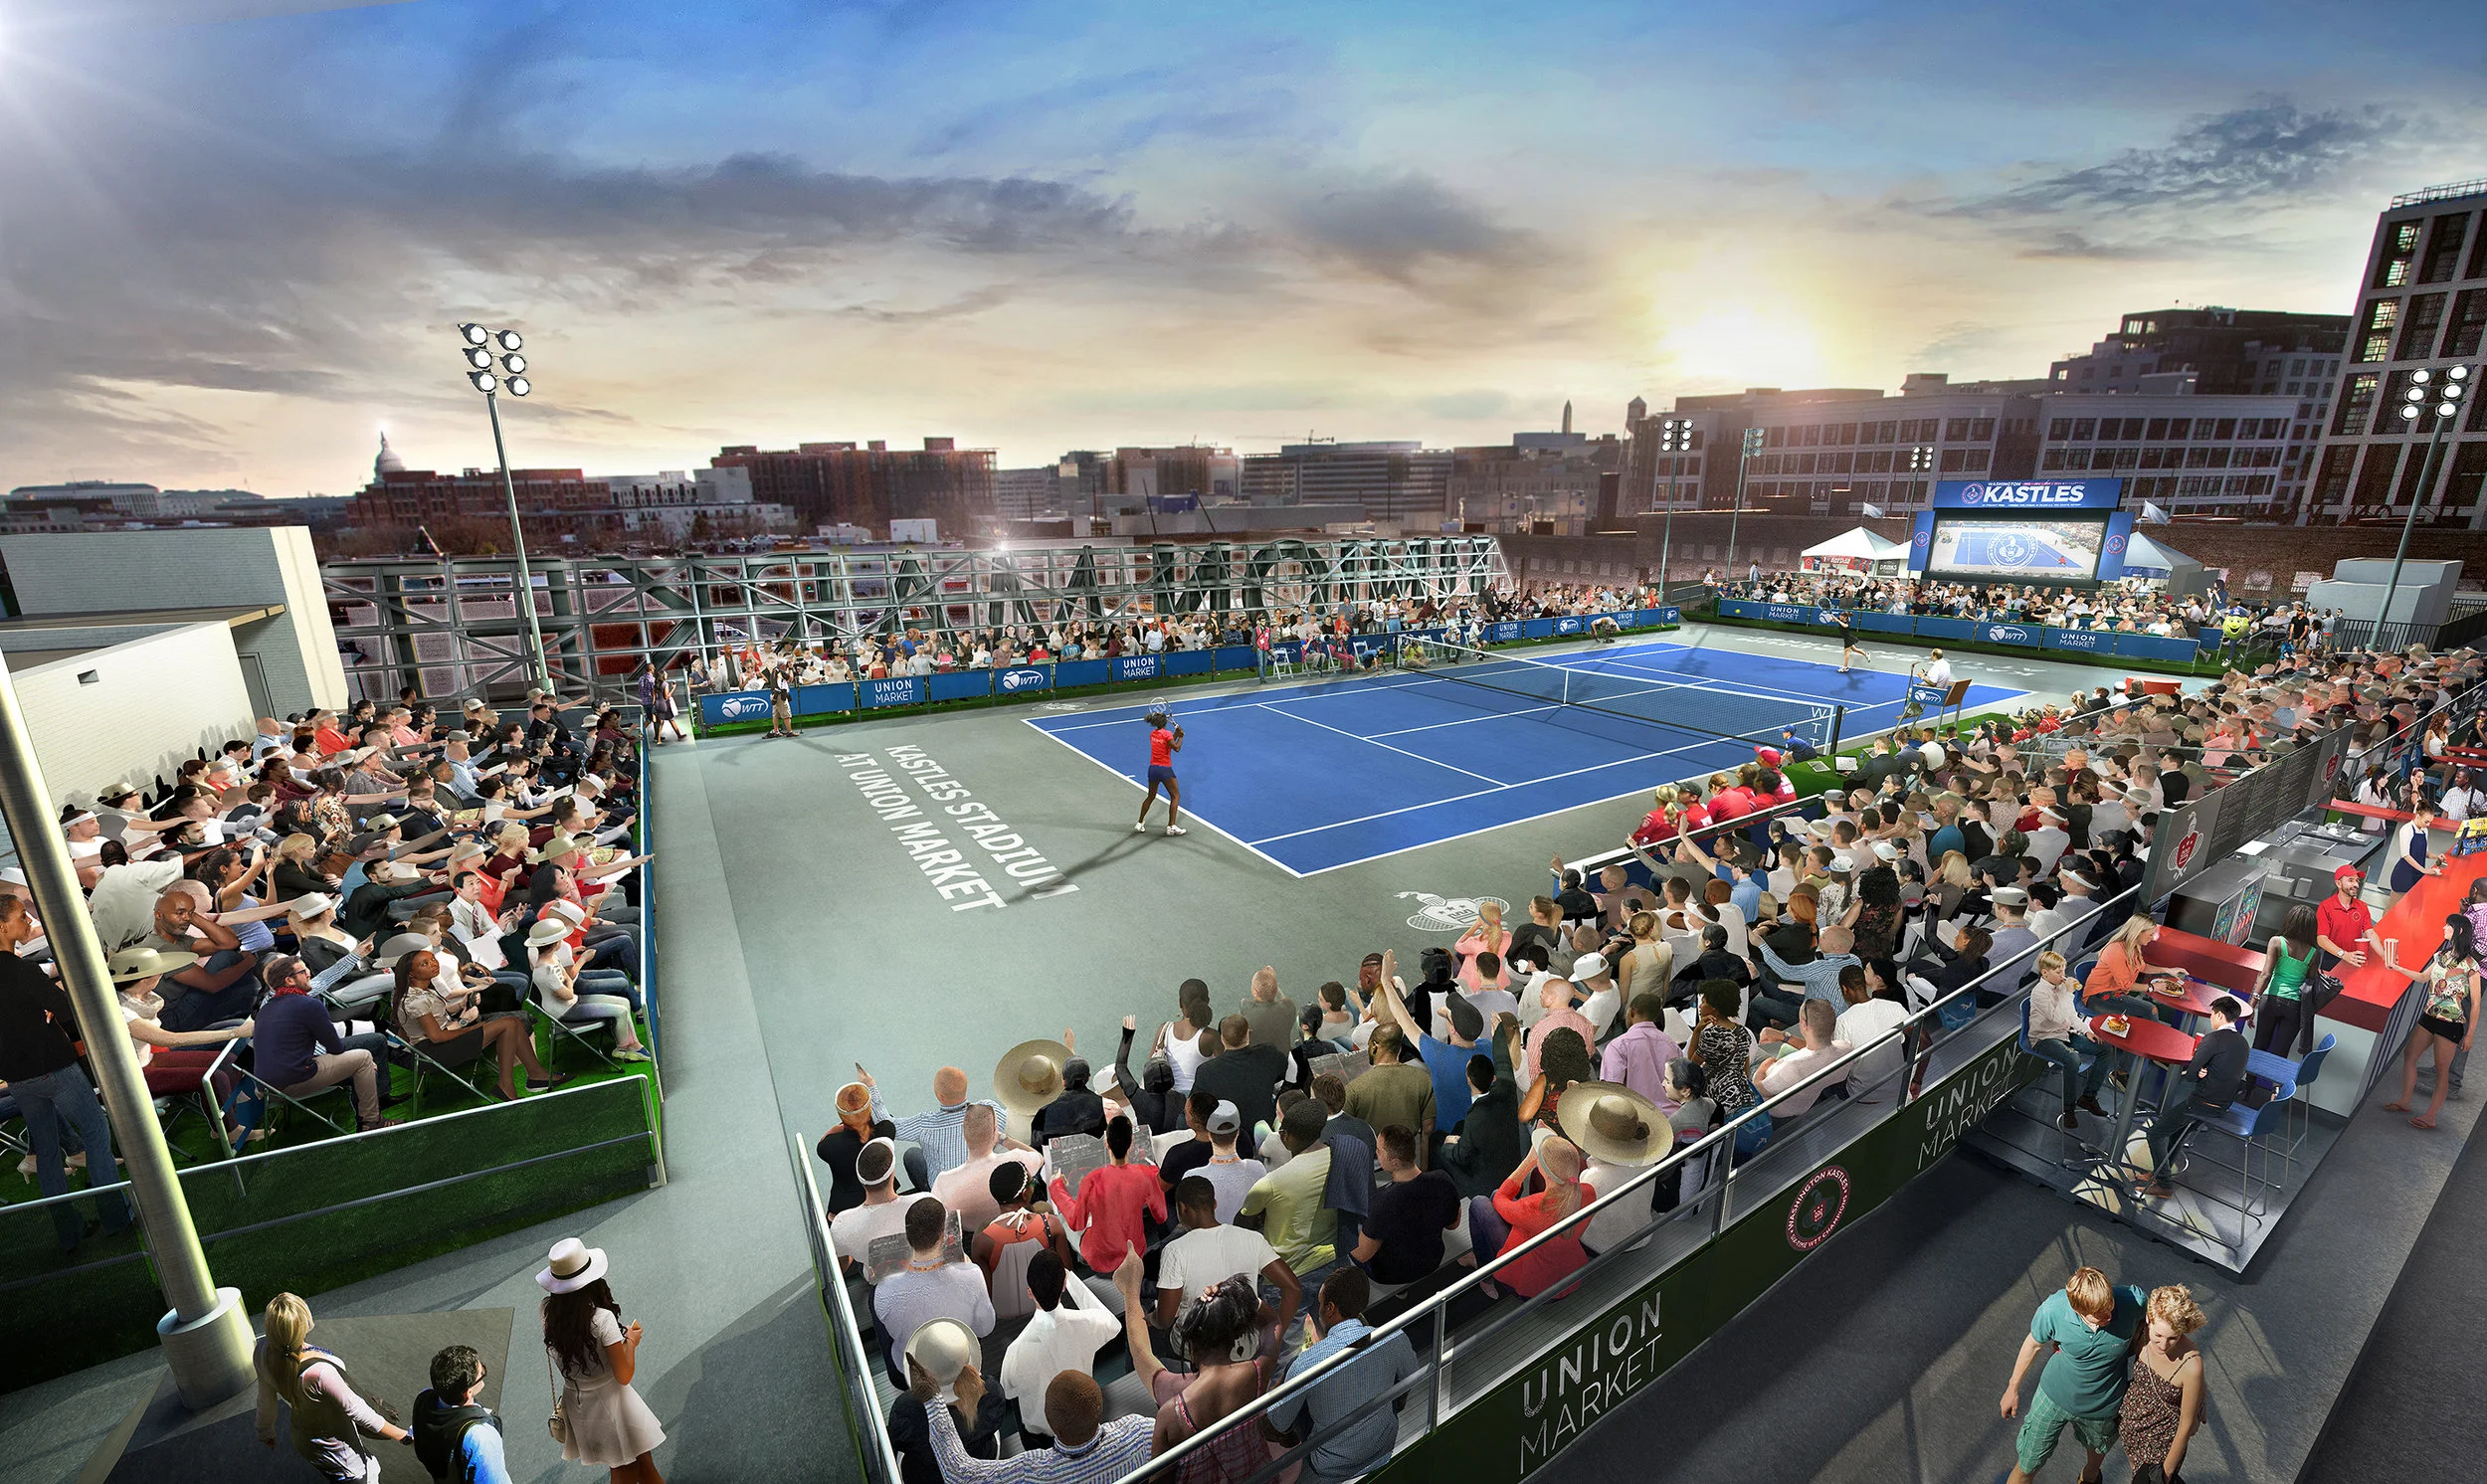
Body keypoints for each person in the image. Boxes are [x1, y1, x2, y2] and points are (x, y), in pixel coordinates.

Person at [0, 898, 135, 1250]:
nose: (29, 919)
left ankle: (68, 1230)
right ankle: (114, 1215)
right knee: (95, 1130)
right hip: (53, 1068)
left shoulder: (22, 972)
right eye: (21, 916)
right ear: (2, 927)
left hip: (17, 1076)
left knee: (45, 1151)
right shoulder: (22, 971)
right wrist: (50, 1006)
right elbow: (66, 1008)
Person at [1261, 1267, 1422, 1483]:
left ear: (1330, 1308)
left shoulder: (1306, 1363)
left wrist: (1280, 1385)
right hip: (1384, 1448)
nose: (1318, 1310)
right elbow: (1411, 1376)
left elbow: (1277, 1425)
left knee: (1290, 1404)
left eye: (1319, 1304)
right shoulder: (1394, 1335)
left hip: (1329, 1465)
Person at [1998, 1266, 2148, 1484]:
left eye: (2110, 1305)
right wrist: (2012, 1388)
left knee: (2093, 1470)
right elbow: (2032, 1344)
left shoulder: (2133, 1300)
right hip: (2053, 1397)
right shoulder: (2053, 1310)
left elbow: (2157, 1325)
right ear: (2078, 1310)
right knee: (2027, 1465)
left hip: (2102, 1407)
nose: (2109, 1315)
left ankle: (2088, 1477)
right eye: (2099, 1314)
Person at [539, 1237, 668, 1484]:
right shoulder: (601, 1319)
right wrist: (631, 1342)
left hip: (579, 1403)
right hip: (613, 1404)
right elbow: (623, 1375)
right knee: (625, 1471)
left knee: (644, 1463)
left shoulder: (548, 1313)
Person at [256, 1291, 415, 1480]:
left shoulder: (261, 1351)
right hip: (341, 1453)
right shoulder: (320, 1373)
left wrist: (265, 1432)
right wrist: (405, 1436)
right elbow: (359, 1412)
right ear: (302, 1326)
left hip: (305, 1439)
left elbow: (265, 1400)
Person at [1157, 1174, 1300, 1349]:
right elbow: (1293, 1288)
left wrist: (1150, 1318)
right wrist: (1276, 1335)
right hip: (1246, 1345)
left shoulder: (1174, 1250)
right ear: (1214, 1204)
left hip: (1196, 1350)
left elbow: (1164, 1319)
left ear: (1182, 1208)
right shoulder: (1253, 1239)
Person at [873, 1198, 996, 1384]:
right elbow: (985, 1328)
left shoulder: (883, 1291)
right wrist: (968, 1268)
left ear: (907, 1238)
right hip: (960, 1363)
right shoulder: (971, 1276)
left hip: (912, 1369)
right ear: (944, 1235)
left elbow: (892, 1330)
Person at [2140, 997, 2249, 1201]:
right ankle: (2158, 1173)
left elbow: (2190, 1075)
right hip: (2222, 1105)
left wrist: (2198, 1071)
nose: (2210, 1018)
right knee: (2177, 1134)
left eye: (2212, 1014)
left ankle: (2163, 1184)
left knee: (2155, 1133)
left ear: (2219, 1015)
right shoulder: (2243, 1043)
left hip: (2201, 1102)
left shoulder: (2213, 1039)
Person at [2383, 914, 2480, 1132]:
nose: (2444, 927)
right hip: (2429, 1016)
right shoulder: (2441, 955)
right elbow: (2422, 977)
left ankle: (2430, 1116)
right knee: (2410, 1055)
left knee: (2442, 1071)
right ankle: (2405, 1101)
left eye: (2448, 925)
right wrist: (2398, 969)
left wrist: (2470, 1034)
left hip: (2451, 1023)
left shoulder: (2471, 965)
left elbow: (2475, 1004)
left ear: (2459, 931)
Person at [1465, 1135, 1595, 1300]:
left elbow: (1501, 1199)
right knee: (1496, 1196)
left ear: (1543, 1169)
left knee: (1480, 1203)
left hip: (1535, 1290)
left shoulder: (1533, 1207)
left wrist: (1529, 1161)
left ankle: (1486, 1277)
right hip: (1569, 1275)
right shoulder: (1588, 1193)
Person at [1354, 1123, 1465, 1295]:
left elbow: (1361, 1255)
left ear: (1395, 1162)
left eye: (1379, 1150)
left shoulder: (1381, 1202)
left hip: (1389, 1273)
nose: (1375, 1153)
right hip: (1432, 1259)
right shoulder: (1442, 1179)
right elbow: (1453, 1225)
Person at [2119, 1285, 2208, 1484]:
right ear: (2149, 1321)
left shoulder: (2191, 1364)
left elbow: (2185, 1426)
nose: (2163, 1344)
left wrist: (2165, 1475)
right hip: (2131, 1428)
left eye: (2173, 1338)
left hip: (2162, 1443)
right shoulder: (2140, 1331)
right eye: (2158, 1335)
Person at [2025, 951, 2111, 1132]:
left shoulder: (2062, 987)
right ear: (2044, 973)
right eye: (2058, 972)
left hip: (2065, 1034)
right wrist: (2069, 994)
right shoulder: (2039, 993)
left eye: (2063, 971)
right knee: (2073, 1059)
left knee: (2105, 1048)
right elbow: (2056, 1018)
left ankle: (2088, 1097)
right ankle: (2068, 1110)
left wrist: (2086, 1031)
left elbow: (2071, 1015)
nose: (2062, 976)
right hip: (2044, 1037)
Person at [412, 1344, 511, 1484]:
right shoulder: (481, 1437)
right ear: (468, 1393)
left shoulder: (423, 1399)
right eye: (481, 1373)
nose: (483, 1369)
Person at [2249, 905, 2324, 1059]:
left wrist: (2252, 1003)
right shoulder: (2313, 953)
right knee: (2280, 1053)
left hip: (2271, 1000)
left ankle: (2249, 1083)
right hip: (2295, 1007)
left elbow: (2266, 974)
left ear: (2290, 921)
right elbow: (2310, 982)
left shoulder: (2276, 942)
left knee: (2259, 1045)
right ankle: (2276, 1084)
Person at [1134, 707, 1187, 836]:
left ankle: (1139, 823)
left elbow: (1167, 742)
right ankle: (1171, 827)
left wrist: (1175, 734)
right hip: (1164, 770)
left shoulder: (1153, 734)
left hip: (1153, 769)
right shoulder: (1167, 734)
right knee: (1175, 796)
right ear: (1164, 723)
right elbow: (1176, 748)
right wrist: (1181, 737)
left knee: (1151, 796)